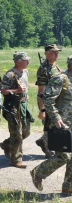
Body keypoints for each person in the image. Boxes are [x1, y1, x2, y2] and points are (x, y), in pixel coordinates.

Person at [30, 56, 72, 193]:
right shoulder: (61, 79)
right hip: (61, 125)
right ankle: (38, 172)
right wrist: (55, 118)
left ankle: (68, 187)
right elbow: (47, 99)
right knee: (63, 156)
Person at [0, 52, 32, 168]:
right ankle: (16, 159)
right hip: (12, 107)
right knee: (17, 133)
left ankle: (7, 144)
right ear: (18, 62)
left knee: (26, 131)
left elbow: (25, 87)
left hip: (23, 106)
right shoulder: (10, 75)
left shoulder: (25, 72)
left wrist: (25, 96)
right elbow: (2, 90)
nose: (28, 62)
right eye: (26, 60)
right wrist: (16, 91)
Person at [35, 44, 62, 159]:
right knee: (48, 126)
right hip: (47, 102)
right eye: (53, 52)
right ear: (46, 54)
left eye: (57, 52)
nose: (56, 54)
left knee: (54, 125)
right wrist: (42, 110)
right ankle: (48, 148)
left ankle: (43, 141)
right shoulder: (43, 69)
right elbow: (41, 91)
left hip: (56, 101)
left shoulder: (55, 66)